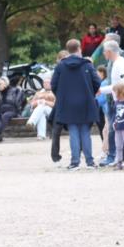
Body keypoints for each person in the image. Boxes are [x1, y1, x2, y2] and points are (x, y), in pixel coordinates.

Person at [50, 39, 102, 170]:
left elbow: (53, 85)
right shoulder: (87, 65)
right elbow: (97, 82)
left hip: (67, 103)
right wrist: (90, 92)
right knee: (85, 131)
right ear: (79, 48)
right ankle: (90, 162)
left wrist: (62, 96)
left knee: (73, 131)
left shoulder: (61, 66)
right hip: (86, 102)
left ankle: (75, 162)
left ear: (68, 50)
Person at [0, 76, 26, 142]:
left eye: (0, 84)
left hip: (12, 111)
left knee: (6, 115)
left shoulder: (15, 90)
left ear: (5, 83)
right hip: (1, 111)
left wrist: (19, 109)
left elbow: (18, 102)